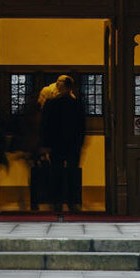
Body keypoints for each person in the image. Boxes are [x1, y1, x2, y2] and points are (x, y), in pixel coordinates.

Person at [40, 75, 85, 212]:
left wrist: (45, 144)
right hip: (73, 143)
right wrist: (80, 143)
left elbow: (45, 126)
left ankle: (56, 201)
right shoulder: (77, 103)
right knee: (72, 173)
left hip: (56, 143)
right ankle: (73, 202)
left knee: (56, 173)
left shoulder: (51, 103)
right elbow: (82, 126)